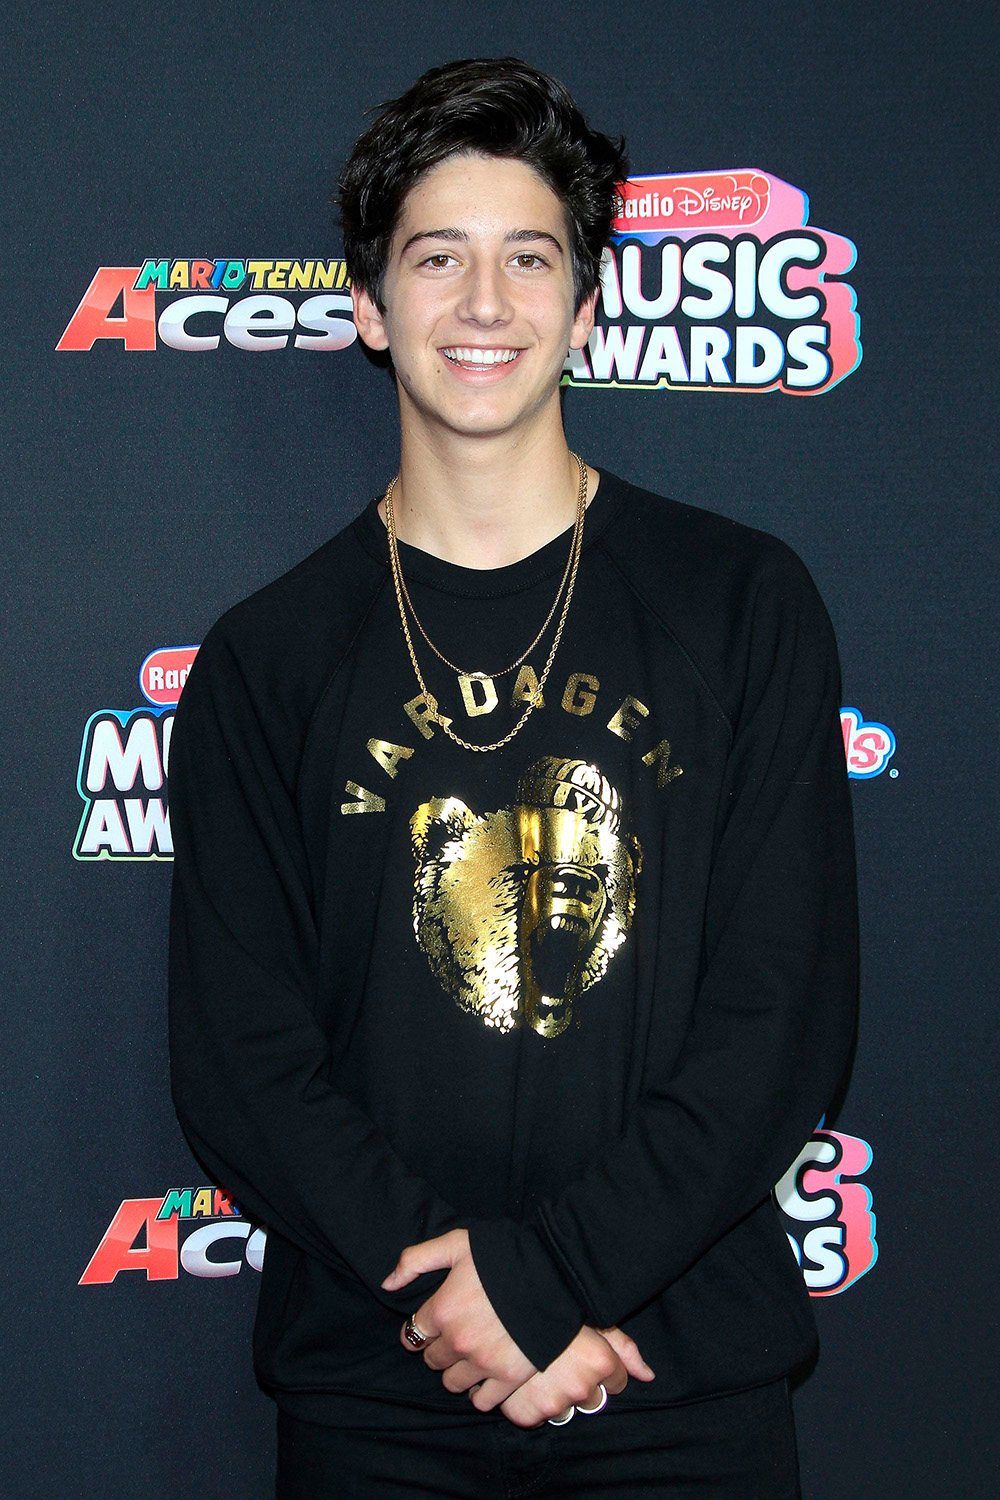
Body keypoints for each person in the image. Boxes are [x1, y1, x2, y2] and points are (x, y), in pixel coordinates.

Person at [167, 56, 859, 1498]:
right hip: (382, 1398)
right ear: (367, 306)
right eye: (437, 258)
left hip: (681, 1383)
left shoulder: (742, 601)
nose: (485, 304)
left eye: (529, 257)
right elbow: (243, 1063)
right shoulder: (267, 658)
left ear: (588, 305)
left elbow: (783, 1013)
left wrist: (558, 1280)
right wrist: (463, 1301)